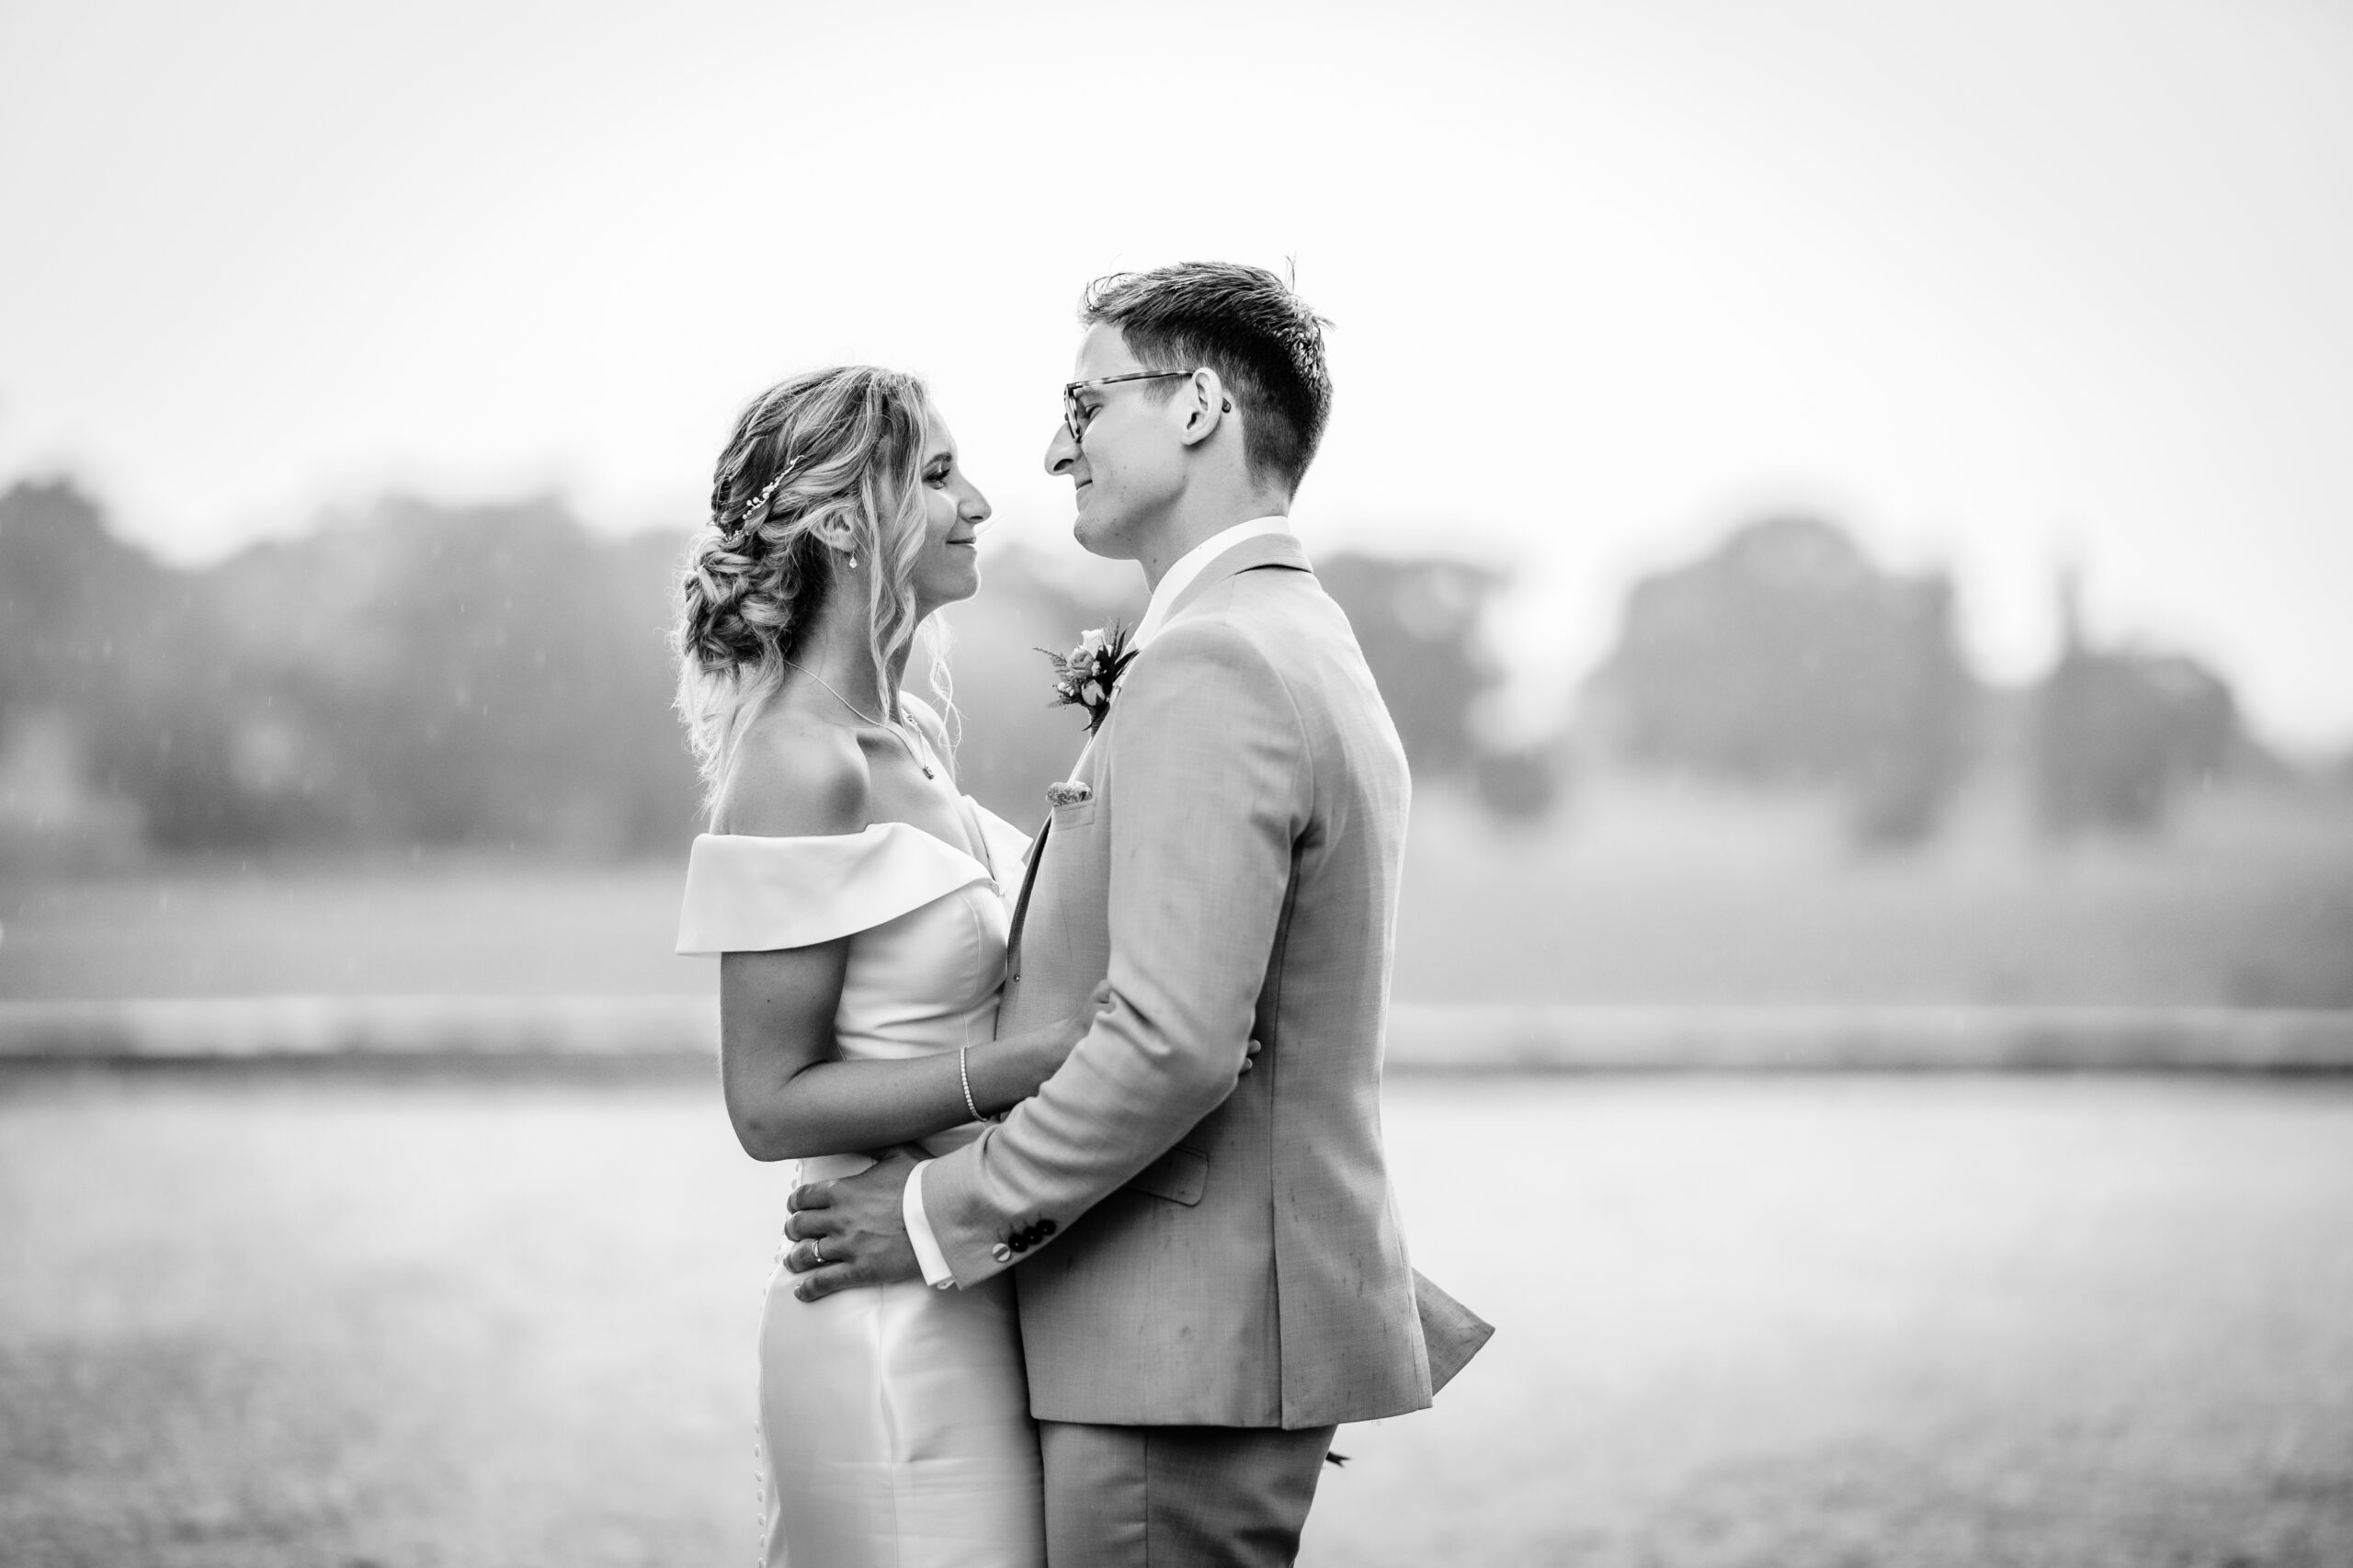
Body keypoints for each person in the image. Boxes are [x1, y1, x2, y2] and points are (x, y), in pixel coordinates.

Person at [779, 264, 1493, 1568]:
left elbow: (1171, 1042)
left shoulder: (1217, 660)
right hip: (1197, 1343)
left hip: (1169, 1352)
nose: (1055, 446)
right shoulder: (1294, 634)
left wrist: (933, 1213)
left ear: (1201, 408)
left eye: (1084, 399)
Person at [673, 364, 1182, 1567]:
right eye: (940, 475)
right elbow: (766, 1101)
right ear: (849, 518)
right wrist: (1032, 1065)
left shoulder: (913, 738)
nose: (981, 504)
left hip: (963, 1284)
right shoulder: (802, 763)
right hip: (884, 1334)